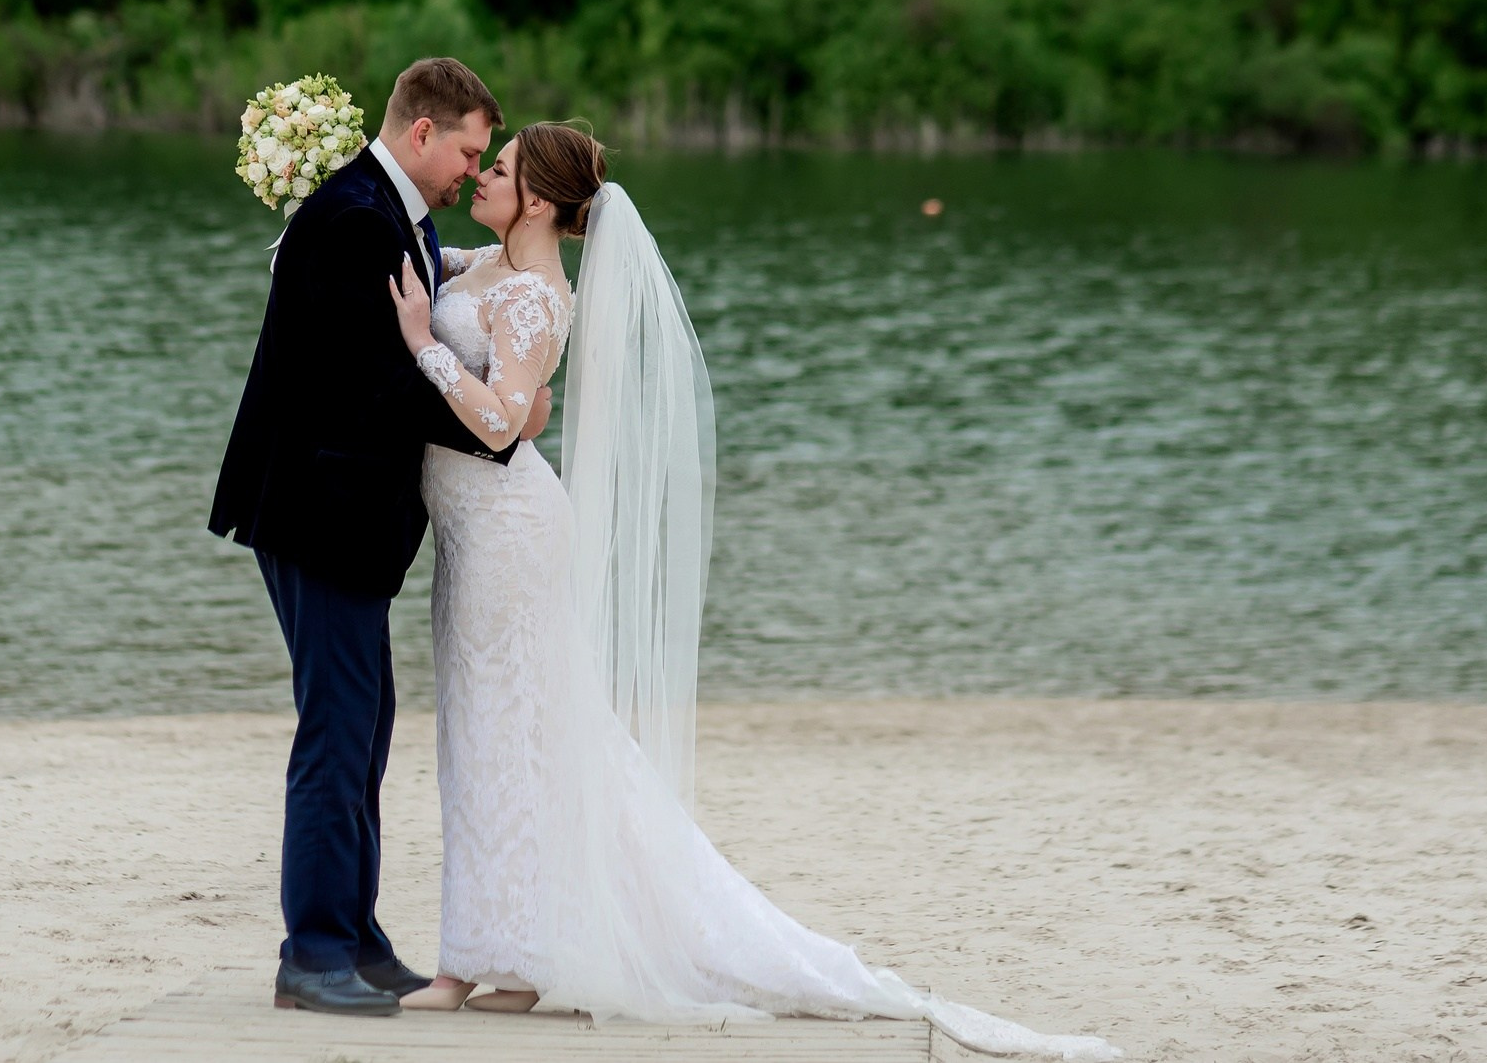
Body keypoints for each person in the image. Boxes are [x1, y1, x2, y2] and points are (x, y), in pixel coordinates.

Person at [384, 121, 1118, 1060]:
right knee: (501, 731)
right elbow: (512, 387)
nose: (481, 174)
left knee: (505, 730)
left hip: (508, 532)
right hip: (475, 534)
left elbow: (496, 427)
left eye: (501, 165)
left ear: (536, 198)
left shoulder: (532, 296)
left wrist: (422, 344)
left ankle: (477, 962)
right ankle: (509, 953)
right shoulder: (481, 262)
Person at [208, 57, 552, 1018]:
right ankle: (311, 951)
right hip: (319, 513)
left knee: (366, 727)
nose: (471, 171)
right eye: (469, 151)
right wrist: (498, 428)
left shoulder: (391, 210)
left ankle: (356, 937)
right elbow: (379, 384)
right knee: (337, 728)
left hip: (350, 518)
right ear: (422, 133)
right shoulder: (355, 215)